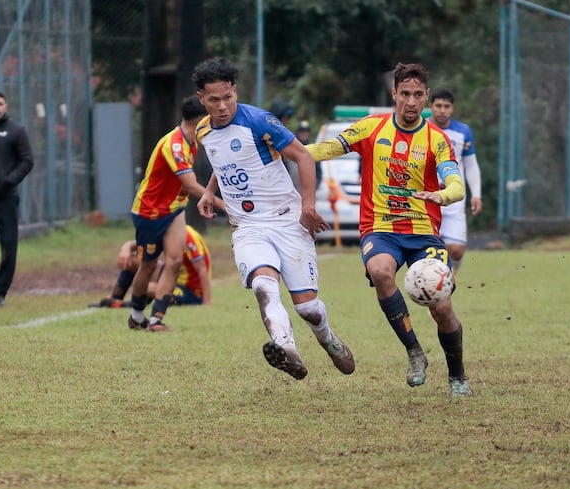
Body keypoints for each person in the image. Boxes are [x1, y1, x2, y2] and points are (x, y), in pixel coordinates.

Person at [305, 62, 472, 396]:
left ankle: (457, 375)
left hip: (424, 232)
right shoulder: (370, 128)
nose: (411, 102)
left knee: (441, 307)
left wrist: (441, 193)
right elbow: (323, 150)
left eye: (418, 95)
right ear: (394, 94)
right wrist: (281, 150)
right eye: (405, 94)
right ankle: (414, 352)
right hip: (379, 227)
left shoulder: (437, 140)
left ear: (426, 97)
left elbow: (456, 185)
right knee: (381, 271)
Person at [192, 56, 354, 380]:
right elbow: (223, 162)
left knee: (307, 308)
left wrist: (308, 207)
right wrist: (210, 190)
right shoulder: (203, 132)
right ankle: (287, 349)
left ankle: (327, 338)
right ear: (201, 99)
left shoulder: (259, 121)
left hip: (287, 220)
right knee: (264, 286)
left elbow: (303, 156)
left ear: (235, 91)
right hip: (248, 226)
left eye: (228, 97)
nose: (222, 106)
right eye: (214, 100)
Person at [127, 96, 225, 332]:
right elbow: (191, 185)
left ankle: (156, 319)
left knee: (174, 261)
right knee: (148, 266)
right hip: (149, 212)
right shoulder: (175, 144)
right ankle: (136, 315)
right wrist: (226, 206)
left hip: (174, 210)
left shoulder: (192, 141)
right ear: (201, 121)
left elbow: (182, 187)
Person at [91, 225, 212, 308]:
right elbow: (137, 244)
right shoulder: (164, 229)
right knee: (132, 261)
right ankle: (115, 298)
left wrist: (206, 303)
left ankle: (124, 306)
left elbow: (202, 269)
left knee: (148, 288)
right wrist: (125, 249)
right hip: (172, 275)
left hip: (190, 290)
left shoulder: (186, 237)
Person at [428, 88, 482, 274]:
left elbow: (471, 164)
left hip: (454, 201)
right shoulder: (421, 129)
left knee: (457, 250)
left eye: (446, 106)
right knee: (427, 250)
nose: (442, 110)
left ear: (452, 108)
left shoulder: (463, 131)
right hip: (427, 199)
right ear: (431, 107)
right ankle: (431, 283)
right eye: (438, 106)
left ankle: (449, 278)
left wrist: (476, 194)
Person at [0, 91, 35, 307]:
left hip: (6, 199)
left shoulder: (16, 131)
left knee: (8, 247)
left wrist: (9, 180)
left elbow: (26, 161)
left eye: (0, 103)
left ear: (5, 106)